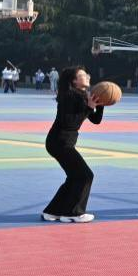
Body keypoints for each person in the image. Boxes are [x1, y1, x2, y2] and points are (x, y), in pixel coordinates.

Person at [42, 66, 104, 223]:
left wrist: (100, 104)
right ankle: (74, 213)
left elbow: (95, 120)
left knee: (74, 177)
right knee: (85, 175)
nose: (87, 76)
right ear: (74, 81)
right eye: (83, 75)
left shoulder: (81, 95)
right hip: (60, 142)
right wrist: (89, 108)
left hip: (61, 142)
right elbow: (70, 123)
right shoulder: (69, 96)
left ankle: (53, 211)